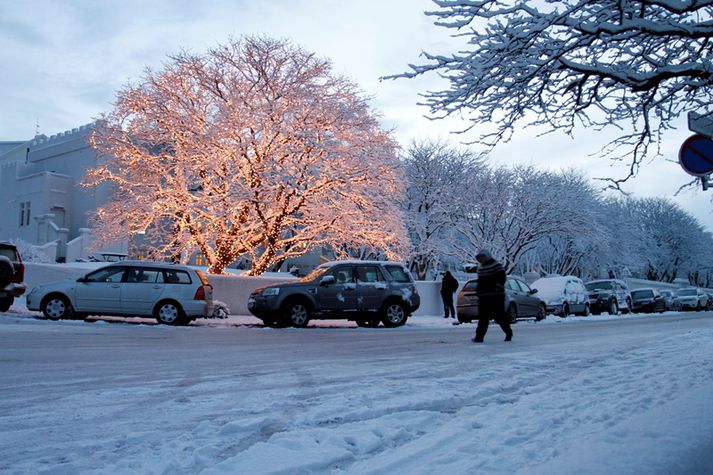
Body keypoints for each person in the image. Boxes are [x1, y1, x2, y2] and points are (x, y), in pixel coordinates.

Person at [473, 249, 512, 343]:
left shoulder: (496, 265)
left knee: (499, 316)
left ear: (487, 256)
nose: (480, 259)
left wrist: (497, 287)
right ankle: (479, 337)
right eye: (478, 258)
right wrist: (479, 291)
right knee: (483, 318)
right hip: (484, 296)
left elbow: (502, 278)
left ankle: (508, 332)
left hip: (496, 296)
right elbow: (480, 282)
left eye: (482, 257)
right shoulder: (480, 268)